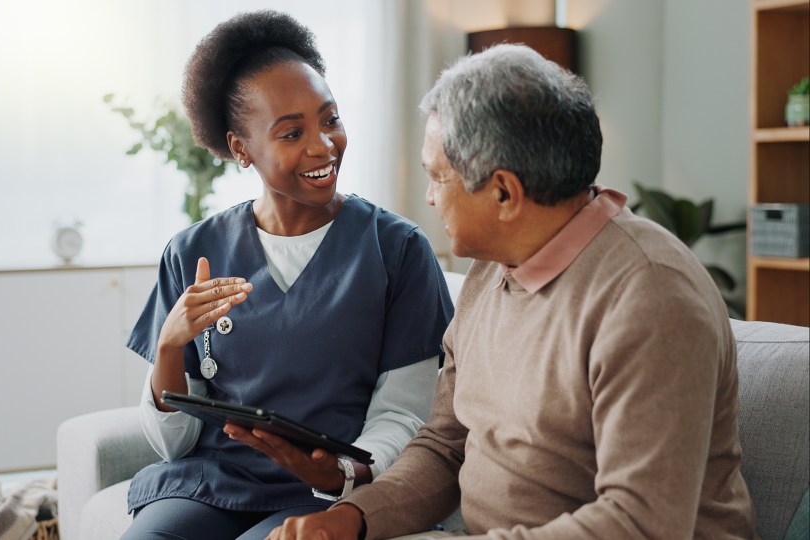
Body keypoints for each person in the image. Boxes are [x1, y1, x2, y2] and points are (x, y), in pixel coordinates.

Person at [269, 44, 757, 540]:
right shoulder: (491, 269)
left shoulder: (650, 297)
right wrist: (351, 519)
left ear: (503, 193)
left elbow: (640, 523)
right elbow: (445, 446)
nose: (430, 197)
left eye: (438, 177)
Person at [122, 10, 454, 540]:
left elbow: (407, 415)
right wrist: (167, 347)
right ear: (239, 147)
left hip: (329, 493)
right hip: (211, 485)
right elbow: (173, 444)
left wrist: (346, 472)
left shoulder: (398, 251)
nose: (323, 145)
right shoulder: (192, 252)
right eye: (292, 132)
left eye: (331, 119)